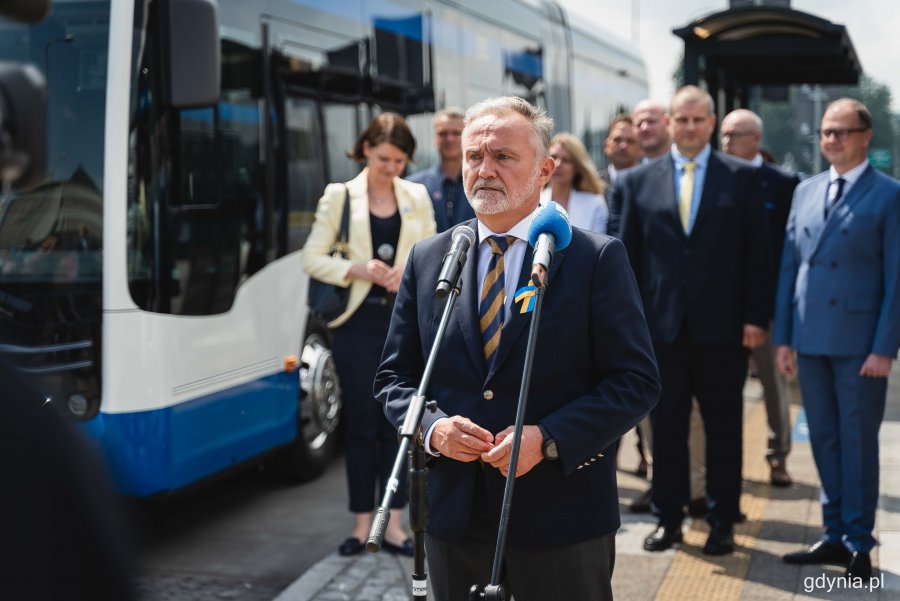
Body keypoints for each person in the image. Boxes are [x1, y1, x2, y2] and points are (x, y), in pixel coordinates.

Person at [375, 96, 660, 601]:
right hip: (454, 518)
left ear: (546, 168)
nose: (484, 170)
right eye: (473, 157)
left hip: (560, 516)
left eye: (503, 157)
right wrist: (434, 428)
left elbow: (635, 383)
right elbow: (395, 380)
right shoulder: (429, 258)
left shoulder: (595, 258)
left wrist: (548, 438)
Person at [616, 86, 769, 556]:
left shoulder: (742, 178)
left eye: (697, 120)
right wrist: (631, 325)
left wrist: (756, 318)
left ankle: (722, 520)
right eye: (680, 120)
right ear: (668, 122)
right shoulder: (639, 182)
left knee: (725, 428)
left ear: (710, 122)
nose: (688, 128)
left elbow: (757, 255)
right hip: (661, 332)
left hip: (724, 330)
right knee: (667, 428)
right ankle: (669, 518)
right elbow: (629, 260)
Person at [775, 98, 900, 579]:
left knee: (857, 443)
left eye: (842, 132)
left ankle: (860, 541)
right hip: (810, 338)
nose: (832, 140)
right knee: (824, 439)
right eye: (826, 132)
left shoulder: (888, 194)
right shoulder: (805, 191)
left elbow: (896, 279)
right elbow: (791, 266)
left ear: (866, 136)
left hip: (859, 343)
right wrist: (784, 338)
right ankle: (832, 534)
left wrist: (885, 348)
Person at [301, 112, 436, 557]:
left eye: (399, 160)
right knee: (361, 424)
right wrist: (356, 270)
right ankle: (362, 526)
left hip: (403, 322)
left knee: (398, 424)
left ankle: (393, 525)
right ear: (364, 150)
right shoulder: (339, 196)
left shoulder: (417, 195)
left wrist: (409, 273)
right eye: (383, 158)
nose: (391, 167)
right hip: (355, 326)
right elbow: (312, 258)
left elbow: (433, 250)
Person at [721, 108, 799, 487]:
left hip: (767, 306)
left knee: (774, 385)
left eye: (734, 135)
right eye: (723, 135)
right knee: (721, 390)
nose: (726, 143)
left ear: (755, 139)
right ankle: (724, 463)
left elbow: (789, 249)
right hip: (722, 307)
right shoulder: (713, 179)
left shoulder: (782, 183)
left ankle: (778, 455)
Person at [406, 107, 475, 233]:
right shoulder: (413, 186)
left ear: (468, 137)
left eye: (456, 133)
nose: (450, 139)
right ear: (435, 138)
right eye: (443, 133)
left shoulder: (481, 184)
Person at [540, 132, 609, 233]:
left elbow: (600, 243)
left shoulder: (595, 203)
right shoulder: (534, 201)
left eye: (566, 160)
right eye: (554, 157)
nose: (558, 164)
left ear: (577, 167)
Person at [599, 115, 643, 186]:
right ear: (606, 146)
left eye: (630, 141)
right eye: (617, 140)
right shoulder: (592, 186)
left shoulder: (651, 184)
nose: (623, 146)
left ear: (640, 149)